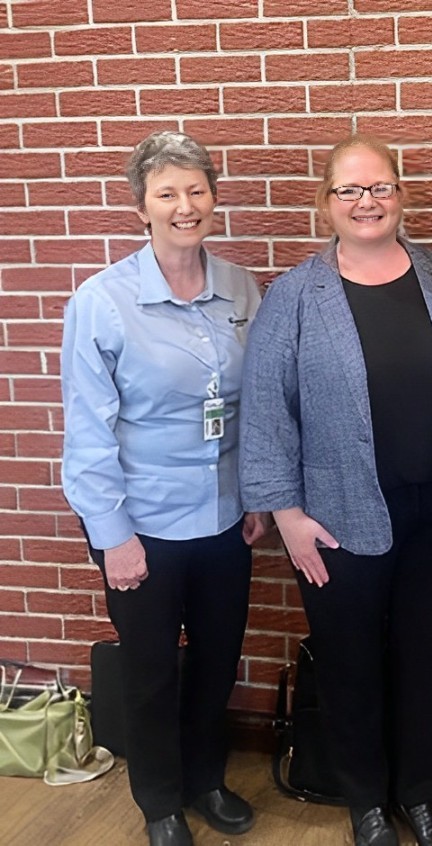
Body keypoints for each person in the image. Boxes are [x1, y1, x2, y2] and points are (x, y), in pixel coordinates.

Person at [239, 133, 432, 846]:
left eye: (380, 187)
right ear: (325, 203)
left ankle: (419, 795)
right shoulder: (295, 297)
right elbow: (266, 409)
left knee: (428, 661)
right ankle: (364, 802)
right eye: (350, 190)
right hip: (336, 522)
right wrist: (287, 514)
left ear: (402, 194)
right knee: (352, 665)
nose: (367, 202)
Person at [61, 131, 267, 846]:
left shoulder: (241, 287)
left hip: (224, 518)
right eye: (167, 194)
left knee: (217, 658)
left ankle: (206, 779)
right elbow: (88, 433)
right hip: (140, 525)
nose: (186, 206)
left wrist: (257, 496)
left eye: (197, 189)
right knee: (150, 673)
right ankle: (159, 801)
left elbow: (258, 405)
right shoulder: (102, 301)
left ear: (215, 196)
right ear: (140, 208)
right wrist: (111, 536)